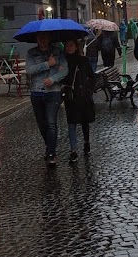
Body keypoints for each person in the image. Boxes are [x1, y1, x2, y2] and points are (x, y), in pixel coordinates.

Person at [26, 32, 68, 166]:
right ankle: (50, 146)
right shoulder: (31, 53)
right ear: (36, 39)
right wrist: (47, 64)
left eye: (45, 37)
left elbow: (64, 70)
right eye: (40, 38)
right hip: (36, 92)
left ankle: (51, 153)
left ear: (49, 38)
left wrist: (53, 79)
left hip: (53, 92)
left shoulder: (58, 52)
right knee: (42, 124)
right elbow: (29, 70)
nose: (42, 40)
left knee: (51, 123)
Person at [62, 39, 95, 161]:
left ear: (76, 47)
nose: (69, 48)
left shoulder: (83, 60)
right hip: (70, 96)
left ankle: (86, 141)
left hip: (83, 96)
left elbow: (92, 77)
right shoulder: (63, 61)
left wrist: (88, 90)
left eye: (71, 45)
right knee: (71, 122)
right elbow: (62, 78)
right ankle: (73, 149)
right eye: (67, 45)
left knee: (84, 121)